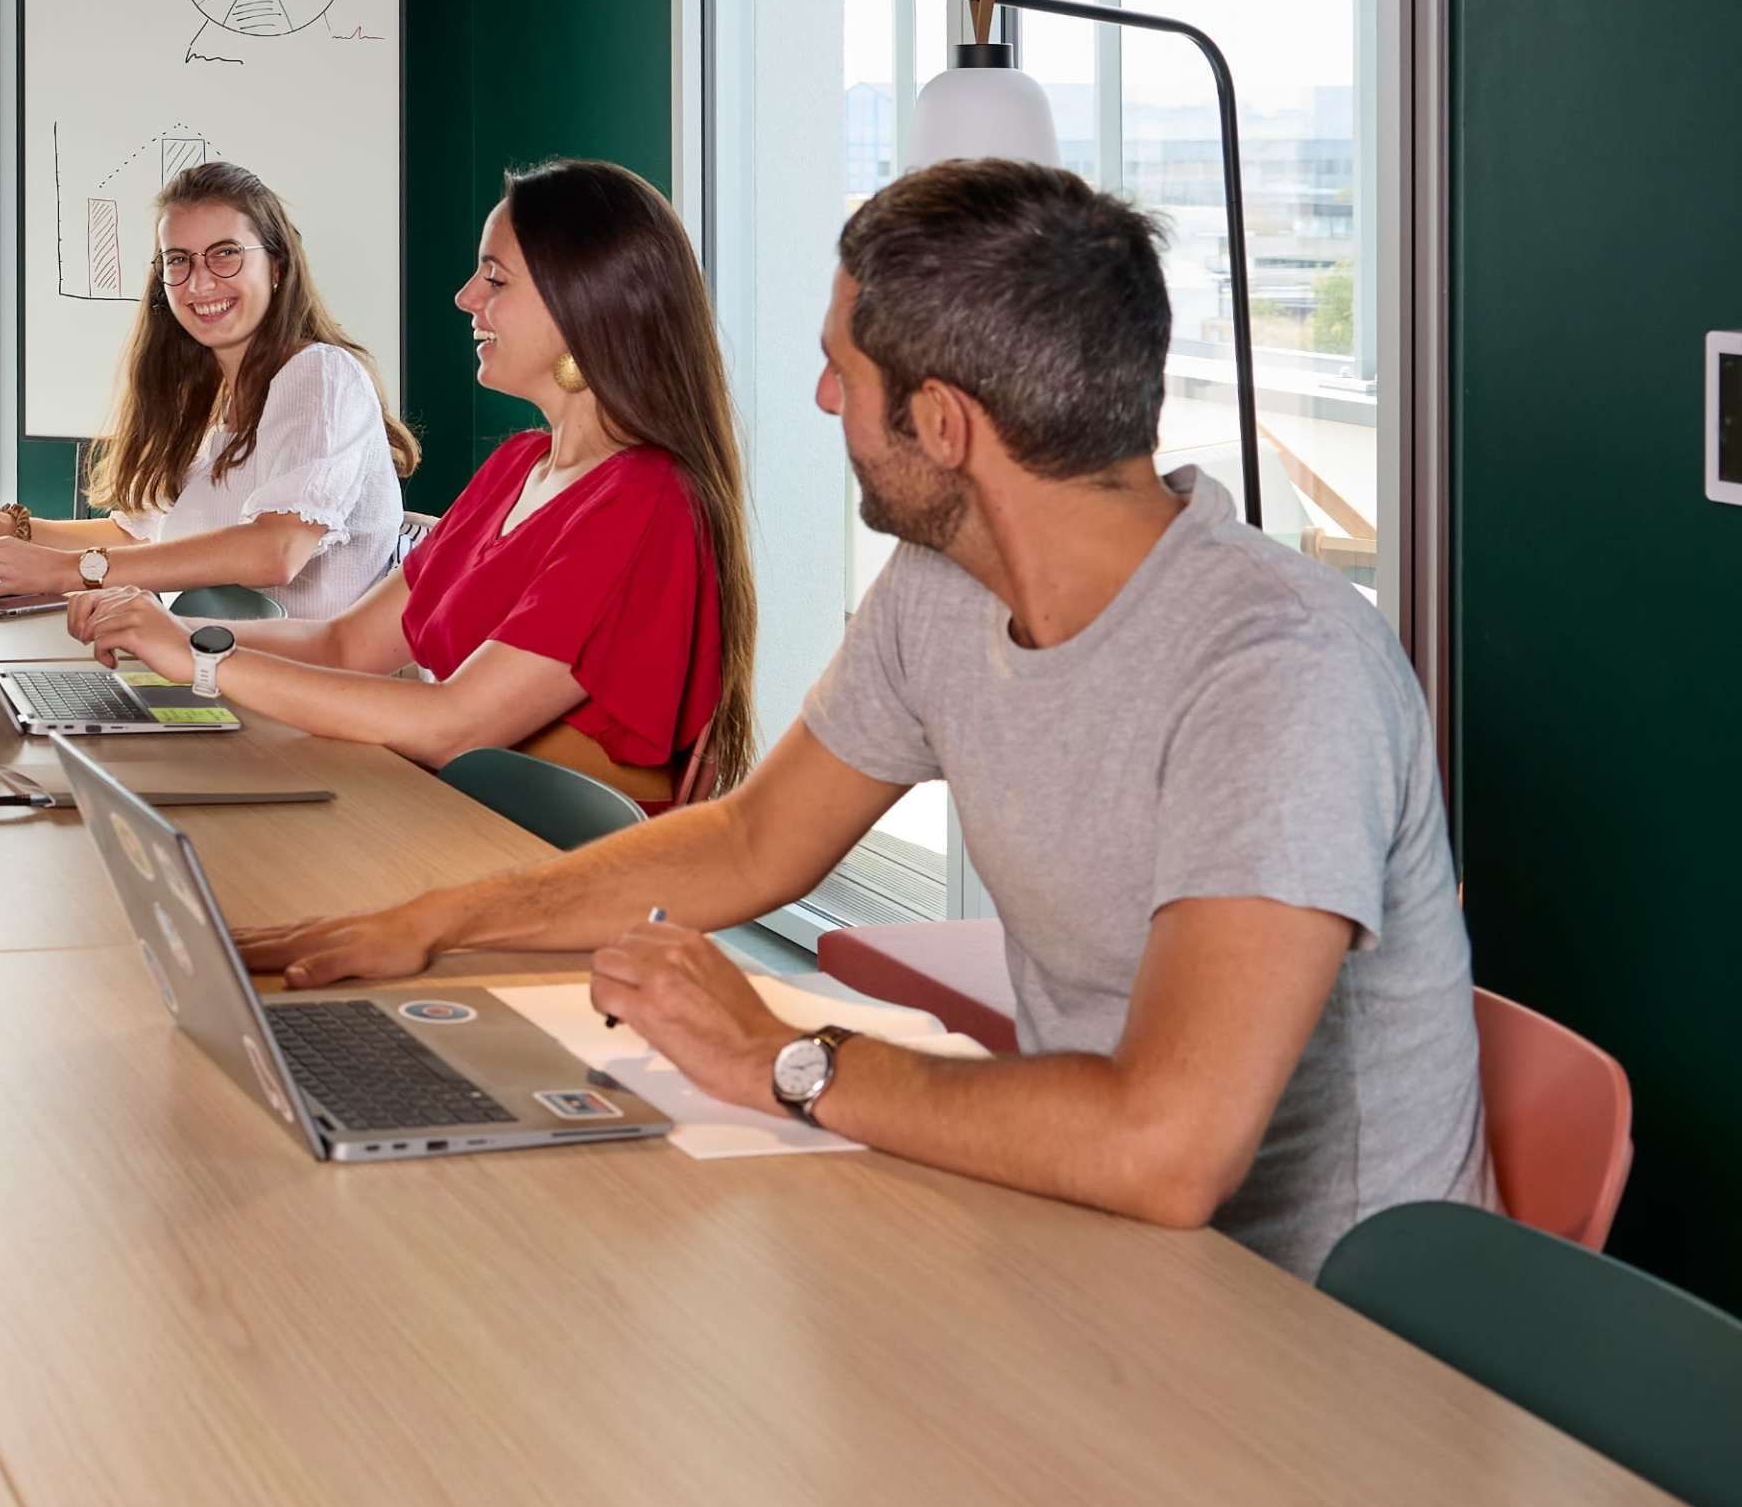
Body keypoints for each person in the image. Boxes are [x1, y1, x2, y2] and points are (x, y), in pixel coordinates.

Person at [239, 159, 1487, 1278]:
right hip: (1083, 1238)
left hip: (1306, 1325)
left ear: (943, 424)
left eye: (846, 367)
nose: (824, 399)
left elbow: (1167, 1150)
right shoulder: (944, 591)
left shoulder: (1278, 670)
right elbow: (747, 844)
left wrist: (780, 1057)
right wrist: (435, 923)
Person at [69, 159, 753, 806]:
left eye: (495, 278)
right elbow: (346, 646)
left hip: (547, 860)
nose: (466, 297)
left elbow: (453, 723)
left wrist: (195, 659)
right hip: (450, 812)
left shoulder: (642, 499)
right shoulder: (518, 467)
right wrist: (161, 629)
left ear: (584, 303)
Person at [0, 161, 413, 619]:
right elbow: (136, 538)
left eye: (226, 255)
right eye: (179, 261)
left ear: (277, 267)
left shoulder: (319, 376)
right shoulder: (208, 401)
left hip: (306, 696)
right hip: (212, 672)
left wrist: (68, 572)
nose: (199, 283)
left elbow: (276, 551)